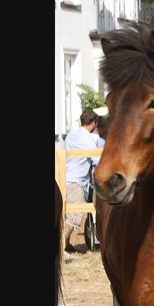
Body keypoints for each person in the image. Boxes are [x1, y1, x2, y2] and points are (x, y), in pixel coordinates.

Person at [63, 109, 100, 254]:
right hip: (76, 181)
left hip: (66, 178)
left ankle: (66, 244)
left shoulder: (72, 134)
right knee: (75, 215)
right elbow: (96, 159)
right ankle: (60, 248)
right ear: (94, 123)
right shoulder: (88, 139)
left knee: (66, 214)